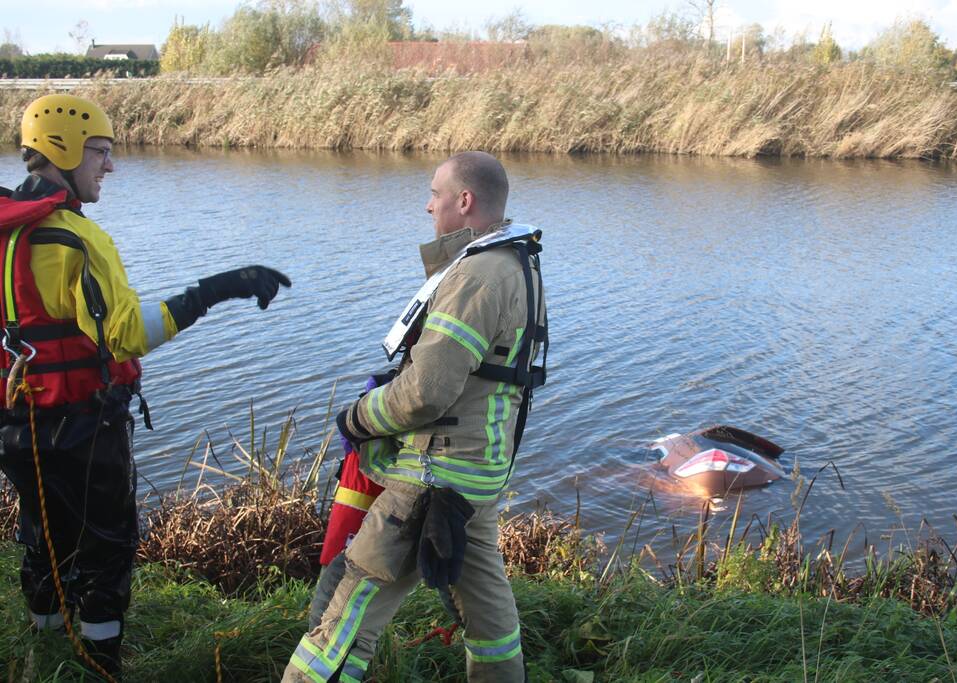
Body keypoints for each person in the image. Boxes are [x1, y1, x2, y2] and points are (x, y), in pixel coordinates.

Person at [0, 94, 291, 677]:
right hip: (83, 421)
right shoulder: (76, 239)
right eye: (101, 153)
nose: (110, 166)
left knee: (42, 533)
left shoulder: (6, 230)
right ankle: (102, 663)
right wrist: (218, 288)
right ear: (63, 149)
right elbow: (126, 336)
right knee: (106, 546)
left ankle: (45, 645)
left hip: (16, 419)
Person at [284, 151, 548, 683]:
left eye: (435, 194)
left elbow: (426, 391)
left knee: (346, 607)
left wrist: (358, 418)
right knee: (488, 612)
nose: (428, 206)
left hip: (434, 478)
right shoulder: (518, 261)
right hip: (479, 473)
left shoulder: (477, 276)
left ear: (464, 201)